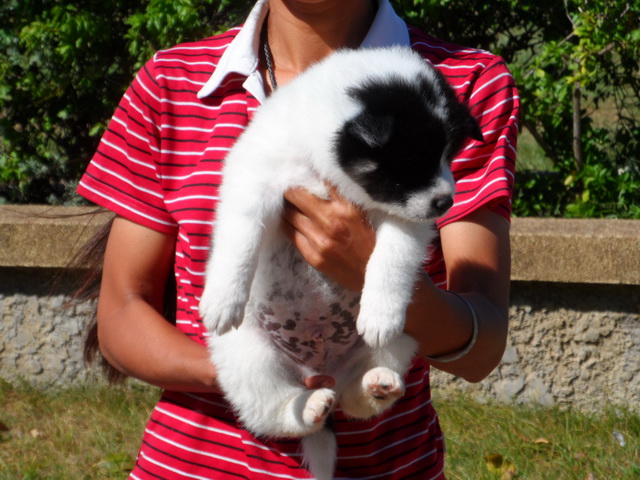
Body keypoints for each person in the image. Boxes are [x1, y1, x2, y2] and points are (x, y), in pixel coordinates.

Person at [77, 0, 519, 478]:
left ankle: (357, 390)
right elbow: (121, 315)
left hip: (385, 465)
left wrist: (372, 271)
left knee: (383, 360)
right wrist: (256, 375)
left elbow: (483, 348)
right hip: (190, 463)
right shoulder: (171, 80)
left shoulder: (461, 84)